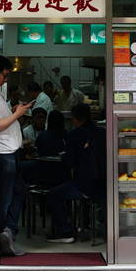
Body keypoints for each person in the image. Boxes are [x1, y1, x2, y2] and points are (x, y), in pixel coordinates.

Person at [0, 54, 31, 257]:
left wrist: (12, 111)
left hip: (8, 152)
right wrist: (17, 115)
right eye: (4, 75)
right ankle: (2, 239)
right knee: (2, 199)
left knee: (17, 191)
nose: (6, 79)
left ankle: (7, 231)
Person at [46, 103, 106, 243]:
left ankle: (65, 232)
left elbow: (69, 163)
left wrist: (63, 156)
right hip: (104, 185)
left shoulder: (75, 134)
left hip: (85, 185)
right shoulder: (103, 132)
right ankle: (84, 225)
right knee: (85, 193)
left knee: (54, 194)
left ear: (75, 120)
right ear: (91, 116)